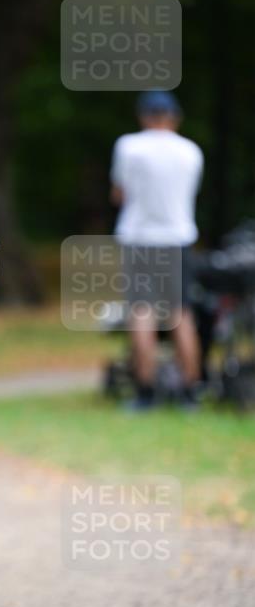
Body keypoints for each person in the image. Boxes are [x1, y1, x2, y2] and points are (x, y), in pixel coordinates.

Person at [110, 90, 204, 409]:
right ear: (175, 117)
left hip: (139, 238)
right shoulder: (191, 151)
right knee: (181, 313)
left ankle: (145, 392)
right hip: (177, 239)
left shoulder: (129, 146)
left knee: (142, 313)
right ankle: (191, 391)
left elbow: (119, 192)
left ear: (144, 116)